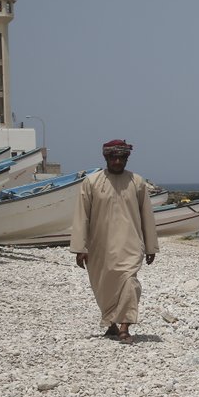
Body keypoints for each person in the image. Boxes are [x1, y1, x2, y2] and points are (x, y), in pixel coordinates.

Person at [70, 139, 158, 344]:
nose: (118, 161)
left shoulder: (137, 182)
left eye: (122, 158)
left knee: (130, 283)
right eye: (113, 157)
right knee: (104, 285)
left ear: (127, 158)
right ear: (106, 158)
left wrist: (151, 245)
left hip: (131, 244)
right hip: (100, 245)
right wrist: (80, 247)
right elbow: (82, 216)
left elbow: (147, 215)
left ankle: (125, 327)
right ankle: (111, 324)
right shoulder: (91, 183)